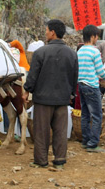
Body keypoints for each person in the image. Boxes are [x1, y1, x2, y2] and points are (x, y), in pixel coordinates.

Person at [24, 19, 78, 169]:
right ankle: (60, 160)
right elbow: (75, 77)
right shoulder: (72, 54)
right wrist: (71, 94)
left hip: (43, 99)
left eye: (47, 30)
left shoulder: (40, 53)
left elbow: (32, 76)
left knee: (41, 131)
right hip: (62, 99)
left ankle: (41, 161)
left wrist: (27, 90)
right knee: (60, 131)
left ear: (53, 33)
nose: (45, 33)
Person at [77, 24, 105, 153]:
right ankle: (93, 144)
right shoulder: (94, 51)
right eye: (97, 36)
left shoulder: (80, 51)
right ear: (93, 36)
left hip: (81, 84)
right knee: (97, 115)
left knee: (85, 114)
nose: (97, 39)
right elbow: (100, 71)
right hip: (92, 86)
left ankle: (86, 140)